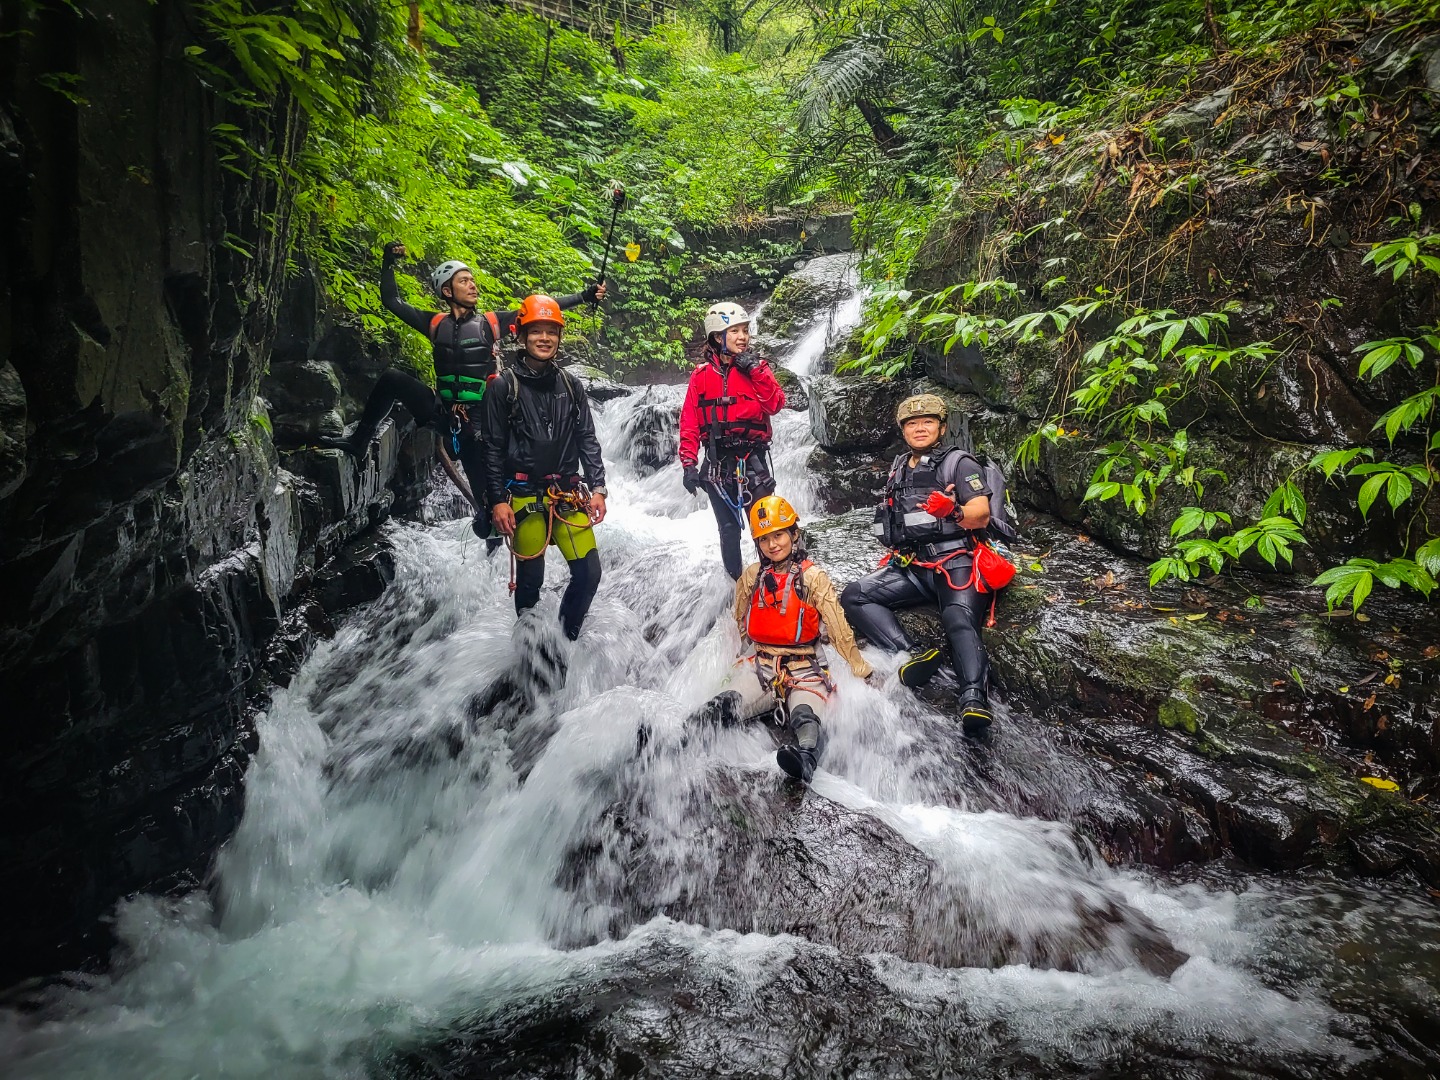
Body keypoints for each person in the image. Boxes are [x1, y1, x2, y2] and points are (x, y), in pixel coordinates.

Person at [319, 242, 604, 541]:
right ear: (447, 291)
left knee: (488, 509)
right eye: (463, 281)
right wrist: (388, 262)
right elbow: (392, 301)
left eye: (472, 280)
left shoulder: (491, 323)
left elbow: (537, 310)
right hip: (444, 413)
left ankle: (497, 536)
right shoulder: (433, 323)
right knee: (392, 378)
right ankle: (359, 441)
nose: (472, 285)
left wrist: (584, 296)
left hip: (481, 424)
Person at [840, 394, 1012, 736]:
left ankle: (974, 699)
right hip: (914, 566)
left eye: (927, 422)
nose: (919, 428)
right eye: (912, 423)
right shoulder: (900, 465)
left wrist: (954, 511)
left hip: (955, 562)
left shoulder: (959, 463)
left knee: (958, 618)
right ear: (903, 430)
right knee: (854, 595)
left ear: (942, 427)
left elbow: (980, 514)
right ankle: (912, 653)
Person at [690, 495, 872, 783]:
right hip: (762, 666)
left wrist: (860, 668)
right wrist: (740, 654)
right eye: (764, 539)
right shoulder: (752, 576)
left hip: (805, 670)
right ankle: (677, 738)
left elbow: (838, 627)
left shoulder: (813, 578)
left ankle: (805, 760)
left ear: (794, 534)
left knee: (804, 718)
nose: (772, 544)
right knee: (723, 705)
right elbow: (740, 617)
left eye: (778, 535)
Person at [483, 295, 608, 642]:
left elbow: (587, 438)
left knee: (588, 573)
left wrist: (598, 488)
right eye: (536, 331)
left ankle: (566, 640)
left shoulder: (571, 385)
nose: (544, 338)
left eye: (551, 331)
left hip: (567, 495)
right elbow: (491, 448)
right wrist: (497, 500)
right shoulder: (503, 387)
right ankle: (530, 650)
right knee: (529, 583)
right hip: (523, 496)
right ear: (522, 336)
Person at [678, 302, 786, 580]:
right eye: (734, 331)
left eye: (745, 331)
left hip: (753, 463)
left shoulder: (757, 369)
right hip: (717, 466)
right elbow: (689, 422)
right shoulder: (701, 376)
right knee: (728, 530)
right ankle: (736, 584)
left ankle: (773, 582)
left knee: (766, 528)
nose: (743, 337)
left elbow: (775, 404)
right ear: (717, 337)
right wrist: (688, 464)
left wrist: (756, 371)